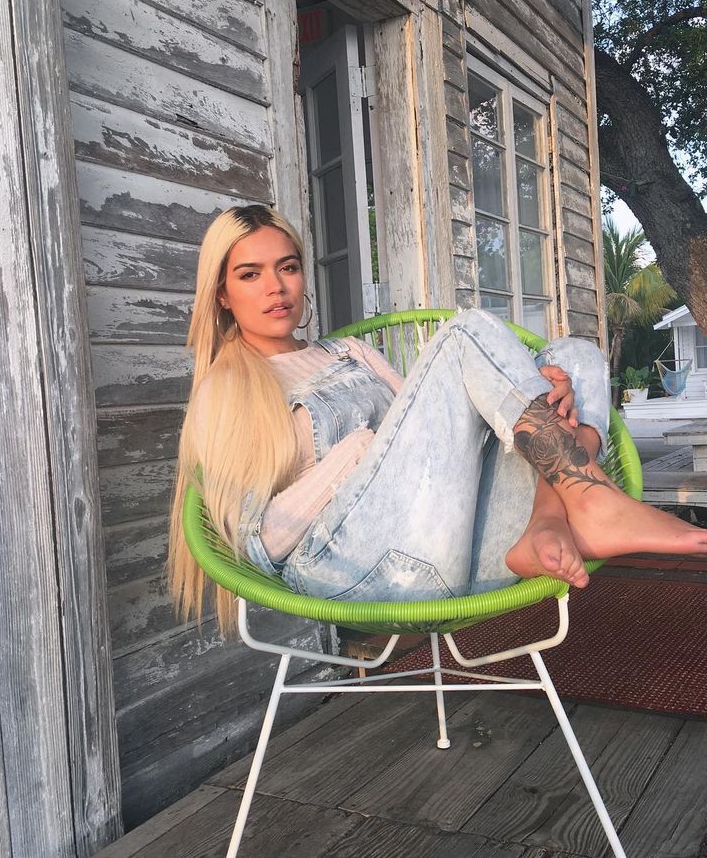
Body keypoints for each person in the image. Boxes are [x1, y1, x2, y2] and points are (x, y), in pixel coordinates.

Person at [169, 205, 707, 632]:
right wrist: (358, 452)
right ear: (221, 293)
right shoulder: (227, 391)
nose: (276, 287)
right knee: (463, 332)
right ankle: (591, 497)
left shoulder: (350, 353)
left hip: (446, 542)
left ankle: (552, 515)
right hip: (353, 572)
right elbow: (259, 545)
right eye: (250, 274)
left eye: (287, 267)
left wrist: (539, 396)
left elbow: (441, 434)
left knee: (572, 356)